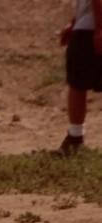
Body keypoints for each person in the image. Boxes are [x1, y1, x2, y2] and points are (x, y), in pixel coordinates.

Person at [60, 0, 102, 154]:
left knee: (77, 84)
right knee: (77, 83)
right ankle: (75, 138)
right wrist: (75, 22)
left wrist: (99, 28)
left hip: (89, 30)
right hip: (87, 27)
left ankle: (75, 137)